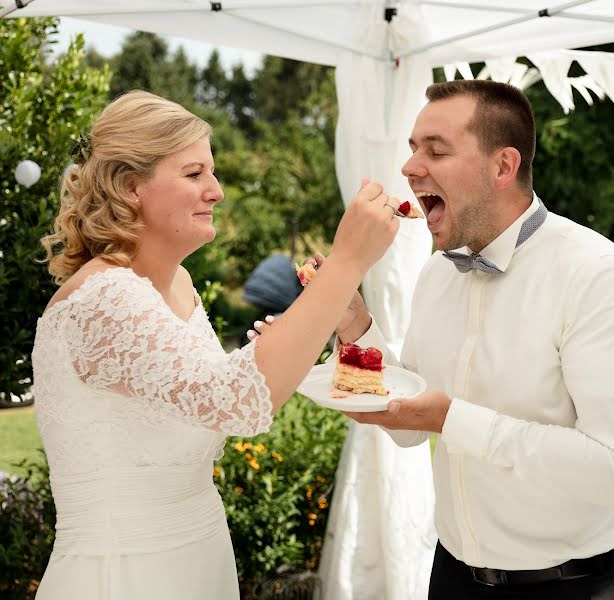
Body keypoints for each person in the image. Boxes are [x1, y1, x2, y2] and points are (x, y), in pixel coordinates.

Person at [32, 90, 401, 600]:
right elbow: (239, 402)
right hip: (125, 576)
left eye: (213, 171)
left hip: (200, 558)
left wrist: (272, 352)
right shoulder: (103, 297)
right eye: (194, 173)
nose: (217, 191)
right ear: (130, 186)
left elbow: (215, 393)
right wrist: (347, 261)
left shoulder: (178, 284)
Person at [327, 80, 614, 599]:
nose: (410, 167)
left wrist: (451, 419)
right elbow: (410, 427)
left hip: (574, 587)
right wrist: (355, 326)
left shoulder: (598, 277)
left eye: (435, 150)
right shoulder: (436, 274)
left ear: (503, 167)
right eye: (413, 148)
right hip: (452, 577)